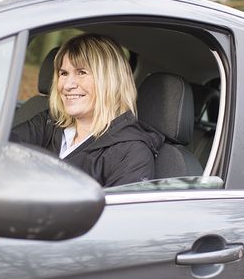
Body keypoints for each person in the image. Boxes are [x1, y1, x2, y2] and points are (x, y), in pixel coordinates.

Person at [10, 33, 163, 187]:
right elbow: (1, 151)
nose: (67, 85)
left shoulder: (131, 152)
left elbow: (123, 211)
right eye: (63, 73)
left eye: (81, 72)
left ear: (110, 81)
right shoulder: (49, 122)